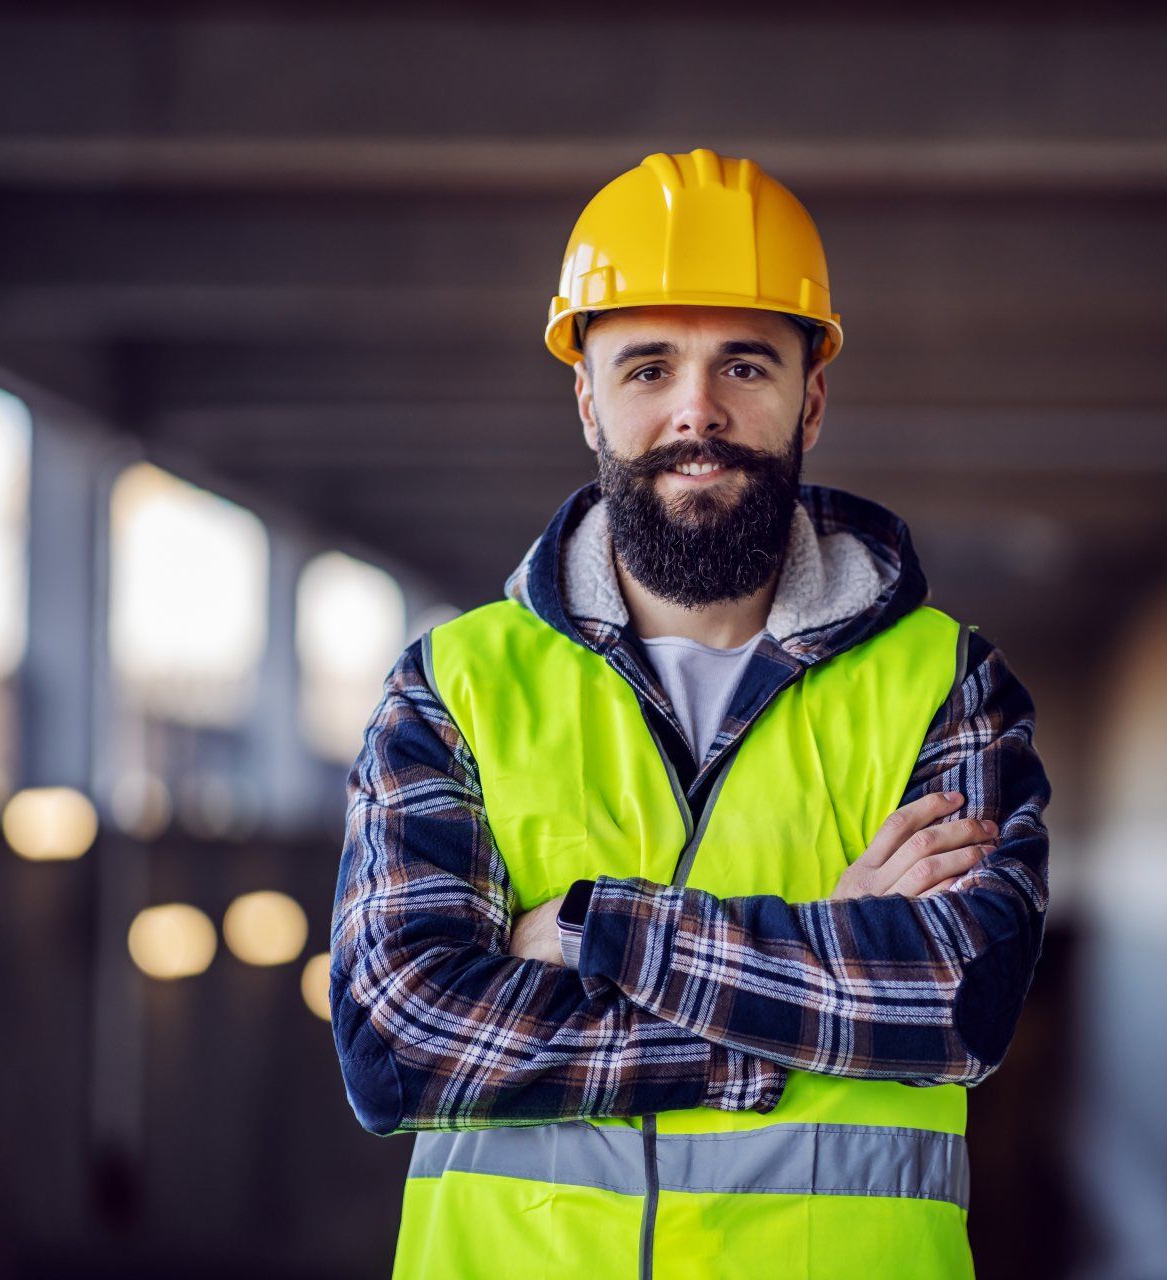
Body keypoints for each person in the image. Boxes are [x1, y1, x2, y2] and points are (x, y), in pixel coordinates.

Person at [330, 147, 1052, 1280]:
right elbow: (399, 1042)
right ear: (588, 398)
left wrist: (583, 927)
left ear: (810, 393)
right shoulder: (455, 685)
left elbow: (955, 1000)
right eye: (649, 367)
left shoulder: (945, 681)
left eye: (745, 366)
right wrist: (811, 969)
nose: (696, 411)